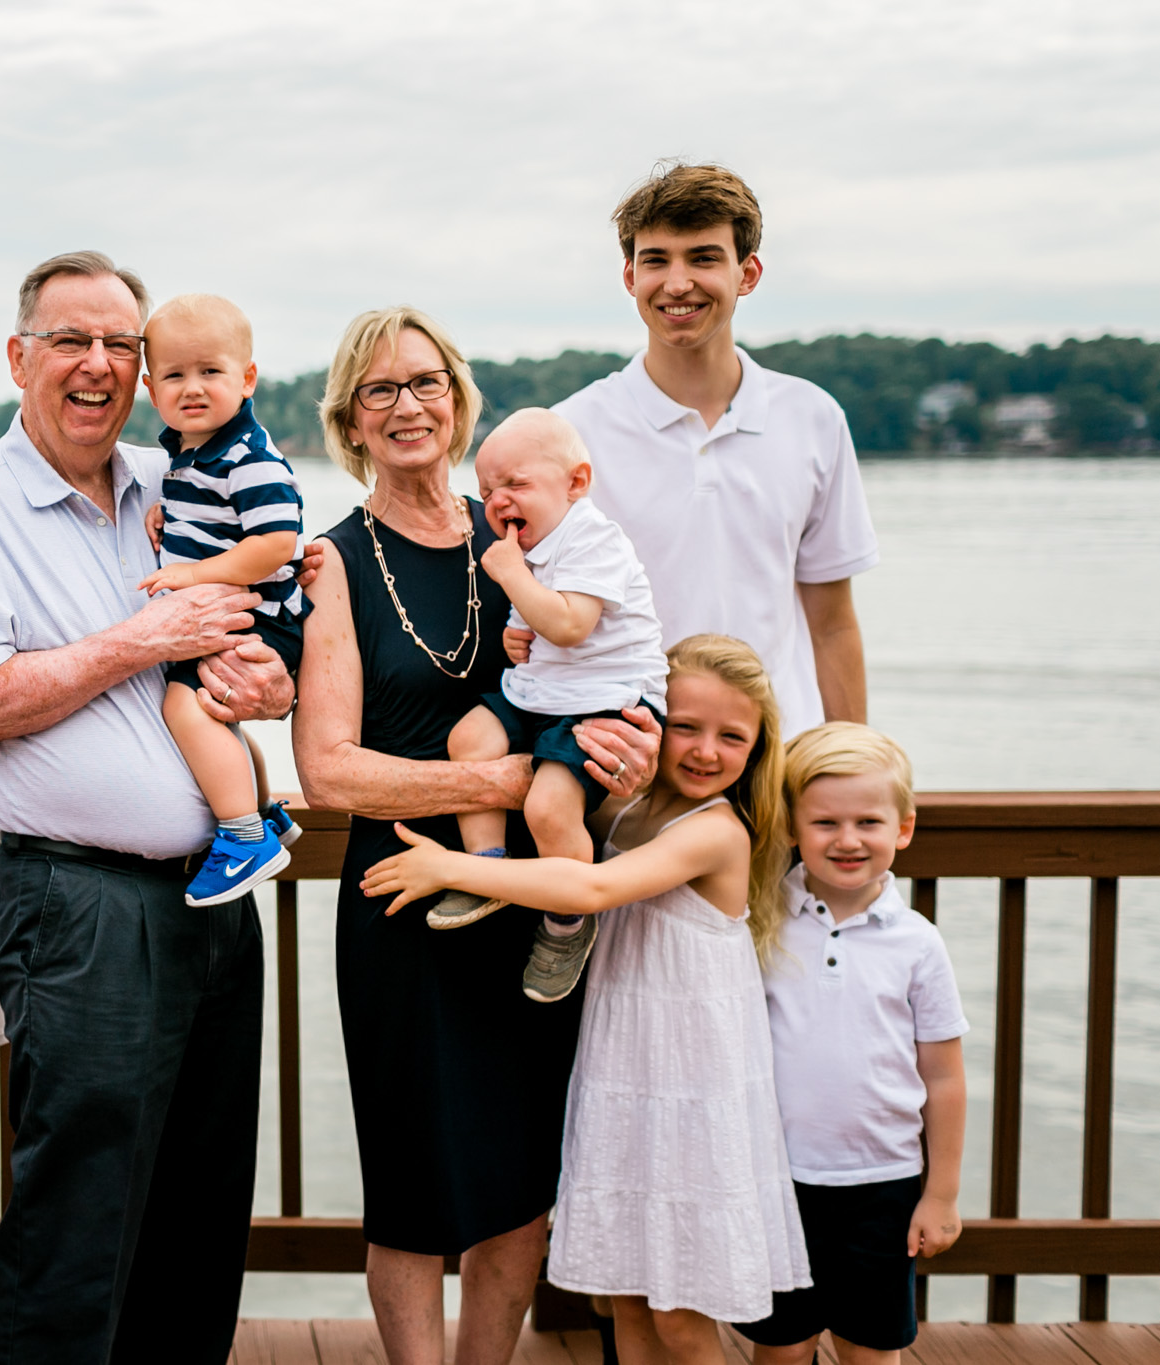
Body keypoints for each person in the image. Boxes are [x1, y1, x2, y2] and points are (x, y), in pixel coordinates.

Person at [0, 250, 303, 1365]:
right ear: (18, 356)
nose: (97, 366)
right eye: (69, 341)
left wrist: (269, 679)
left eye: (118, 346)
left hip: (216, 901)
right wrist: (143, 640)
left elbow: (264, 623)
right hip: (81, 910)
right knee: (77, 1216)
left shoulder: (172, 481)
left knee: (198, 1207)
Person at [291, 306, 660, 1365]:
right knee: (412, 1183)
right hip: (404, 892)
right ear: (348, 422)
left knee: (517, 1178)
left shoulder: (528, 528)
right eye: (379, 391)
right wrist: (498, 773)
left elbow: (612, 663)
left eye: (425, 383)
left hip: (536, 900)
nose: (406, 406)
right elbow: (325, 771)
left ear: (456, 399)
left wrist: (627, 756)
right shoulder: (332, 563)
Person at [362, 635, 811, 1365]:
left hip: (691, 1088)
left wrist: (452, 865)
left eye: (734, 736)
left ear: (760, 748)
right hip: (626, 1079)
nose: (704, 750)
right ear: (648, 719)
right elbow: (562, 824)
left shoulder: (718, 830)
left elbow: (590, 887)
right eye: (686, 726)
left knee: (679, 1318)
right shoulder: (629, 811)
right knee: (627, 1302)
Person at [547, 162, 878, 738]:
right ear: (630, 276)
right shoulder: (569, 432)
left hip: (779, 762)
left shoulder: (814, 418)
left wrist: (852, 763)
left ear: (747, 273)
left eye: (702, 257)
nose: (677, 283)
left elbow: (832, 625)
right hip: (631, 765)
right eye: (656, 260)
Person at [736, 724, 968, 1365]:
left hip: (883, 1185)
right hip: (778, 1181)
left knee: (870, 1348)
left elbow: (945, 1078)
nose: (847, 840)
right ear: (790, 828)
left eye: (868, 821)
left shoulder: (918, 943)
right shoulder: (761, 921)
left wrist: (940, 1194)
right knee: (782, 1348)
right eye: (825, 823)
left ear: (904, 828)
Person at [432, 408, 667, 1009]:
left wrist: (511, 577)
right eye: (486, 491)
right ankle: (486, 865)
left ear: (576, 483)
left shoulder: (594, 538)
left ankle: (566, 922)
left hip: (604, 702)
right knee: (468, 739)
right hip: (546, 692)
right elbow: (531, 627)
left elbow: (567, 623)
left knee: (548, 804)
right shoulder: (531, 548)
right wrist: (515, 633)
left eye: (515, 484)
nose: (497, 501)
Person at [135, 292, 309, 905]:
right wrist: (168, 519)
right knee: (215, 719)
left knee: (186, 709)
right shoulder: (188, 457)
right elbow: (216, 518)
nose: (193, 387)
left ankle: (241, 837)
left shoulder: (248, 455)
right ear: (153, 390)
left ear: (247, 378)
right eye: (176, 375)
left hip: (259, 619)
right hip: (235, 619)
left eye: (211, 371)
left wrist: (195, 573)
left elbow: (276, 543)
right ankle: (265, 815)